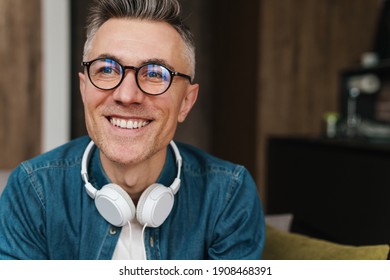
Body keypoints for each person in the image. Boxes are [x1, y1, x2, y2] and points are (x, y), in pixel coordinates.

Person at [0, 0, 265, 260]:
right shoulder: (33, 190)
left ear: (186, 102)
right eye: (106, 69)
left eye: (154, 74)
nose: (127, 95)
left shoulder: (228, 194)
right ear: (84, 89)